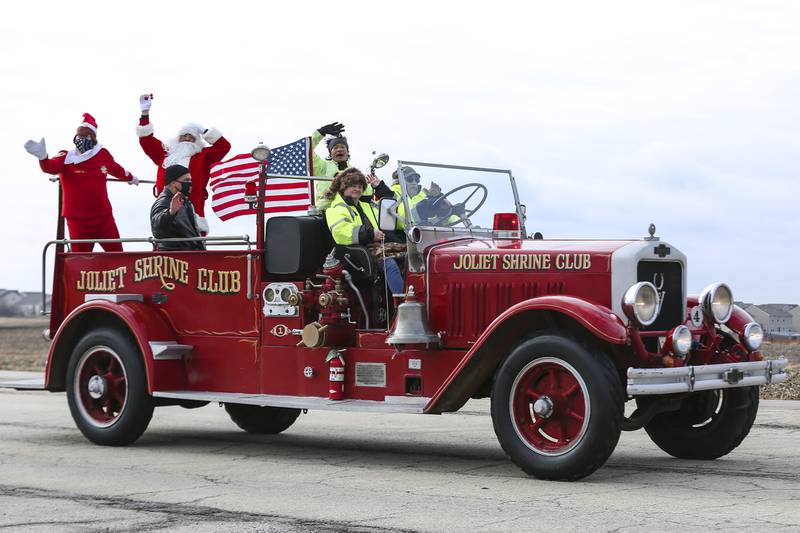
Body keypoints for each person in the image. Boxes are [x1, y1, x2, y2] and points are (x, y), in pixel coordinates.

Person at [24, 113, 139, 252]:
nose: (81, 139)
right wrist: (43, 157)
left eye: (86, 136)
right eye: (79, 136)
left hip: (104, 218)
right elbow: (50, 167)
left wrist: (131, 178)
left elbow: (116, 169)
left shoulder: (102, 154)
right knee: (80, 261)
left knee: (117, 256)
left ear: (93, 138)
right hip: (78, 221)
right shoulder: (66, 157)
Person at [136, 93, 231, 235]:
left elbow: (224, 147)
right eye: (184, 135)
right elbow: (146, 140)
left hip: (194, 206)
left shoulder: (203, 156)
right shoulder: (164, 153)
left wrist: (204, 131)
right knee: (163, 240)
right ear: (178, 138)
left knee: (194, 246)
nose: (187, 138)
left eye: (191, 137)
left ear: (196, 141)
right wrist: (145, 113)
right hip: (165, 204)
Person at [324, 169, 405, 294]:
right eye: (352, 186)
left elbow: (392, 206)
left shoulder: (366, 205)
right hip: (358, 250)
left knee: (413, 255)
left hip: (377, 245)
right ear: (343, 188)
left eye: (360, 186)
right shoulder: (336, 208)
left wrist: (379, 187)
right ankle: (402, 302)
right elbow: (341, 232)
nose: (357, 189)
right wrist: (371, 233)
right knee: (390, 264)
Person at [150, 165, 205, 251]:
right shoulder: (163, 201)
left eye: (190, 180)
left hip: (191, 255)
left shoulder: (185, 201)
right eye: (186, 180)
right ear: (173, 183)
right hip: (176, 259)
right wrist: (171, 212)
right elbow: (157, 228)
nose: (190, 183)